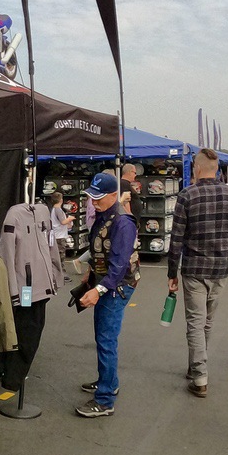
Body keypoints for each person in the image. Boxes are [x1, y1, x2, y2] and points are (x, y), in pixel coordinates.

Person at [167, 149, 228, 399]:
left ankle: (199, 375)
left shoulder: (187, 195)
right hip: (220, 269)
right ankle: (196, 367)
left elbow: (176, 238)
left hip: (194, 268)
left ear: (197, 168)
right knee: (207, 322)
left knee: (195, 322)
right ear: (218, 169)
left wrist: (172, 272)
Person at [76, 171, 138, 418]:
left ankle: (104, 400)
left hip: (116, 285)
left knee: (106, 340)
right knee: (104, 337)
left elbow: (119, 266)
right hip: (108, 282)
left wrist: (98, 290)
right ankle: (108, 383)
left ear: (114, 195)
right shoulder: (106, 216)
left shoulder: (123, 223)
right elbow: (100, 249)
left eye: (98, 197)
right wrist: (90, 272)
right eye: (92, 196)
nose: (94, 201)